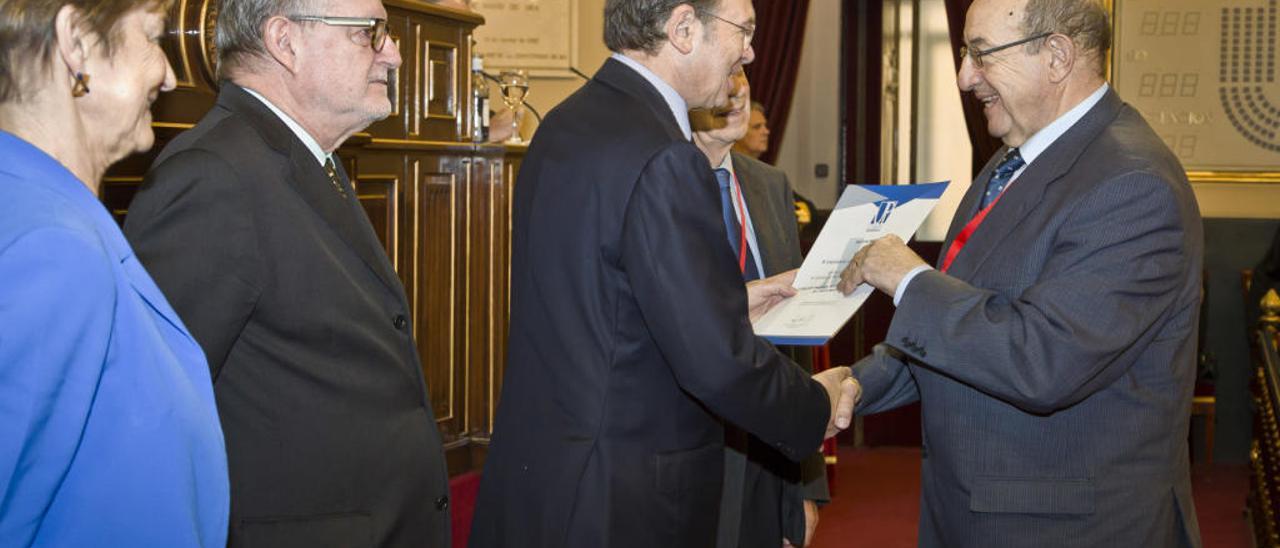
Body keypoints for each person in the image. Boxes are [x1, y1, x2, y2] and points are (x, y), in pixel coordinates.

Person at [468, 0, 859, 546]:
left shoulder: (566, 123)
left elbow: (601, 300)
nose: (749, 52)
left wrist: (725, 303)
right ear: (682, 28)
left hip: (549, 480)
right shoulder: (665, 156)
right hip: (622, 501)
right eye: (743, 31)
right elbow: (718, 366)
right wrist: (814, 405)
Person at [838, 0, 1204, 546]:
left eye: (981, 55)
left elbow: (1043, 360)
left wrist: (909, 279)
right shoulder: (1015, 158)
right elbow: (969, 327)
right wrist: (853, 387)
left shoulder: (1132, 185)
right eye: (966, 54)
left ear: (1056, 56)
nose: (965, 77)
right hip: (979, 511)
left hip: (1068, 529)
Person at [122, 0, 450, 546]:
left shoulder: (308, 158)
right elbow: (148, 415)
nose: (392, 54)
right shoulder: (213, 176)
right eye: (369, 33)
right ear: (284, 41)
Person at [0, 0, 228, 546]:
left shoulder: (43, 210)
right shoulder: (50, 249)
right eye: (152, 38)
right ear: (76, 41)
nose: (171, 76)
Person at [691, 70, 827, 548]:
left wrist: (807, 484)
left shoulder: (770, 185)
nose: (738, 85)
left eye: (744, 71)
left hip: (770, 456)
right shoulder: (658, 180)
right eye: (723, 71)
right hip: (692, 456)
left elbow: (798, 347)